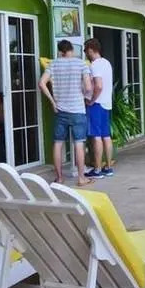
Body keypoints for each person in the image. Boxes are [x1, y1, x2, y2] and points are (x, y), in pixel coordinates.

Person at [39, 39, 92, 186]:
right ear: (71, 50)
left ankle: (59, 177)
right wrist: (83, 95)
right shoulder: (81, 64)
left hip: (60, 110)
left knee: (58, 143)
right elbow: (88, 87)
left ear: (60, 51)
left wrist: (53, 102)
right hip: (78, 109)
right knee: (79, 143)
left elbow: (41, 83)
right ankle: (81, 178)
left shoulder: (53, 64)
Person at [83, 37, 114, 178]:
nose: (85, 54)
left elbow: (99, 85)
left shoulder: (95, 65)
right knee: (106, 136)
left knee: (96, 137)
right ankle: (108, 167)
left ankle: (97, 169)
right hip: (106, 103)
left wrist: (91, 100)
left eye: (85, 51)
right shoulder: (106, 63)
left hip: (97, 104)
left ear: (90, 50)